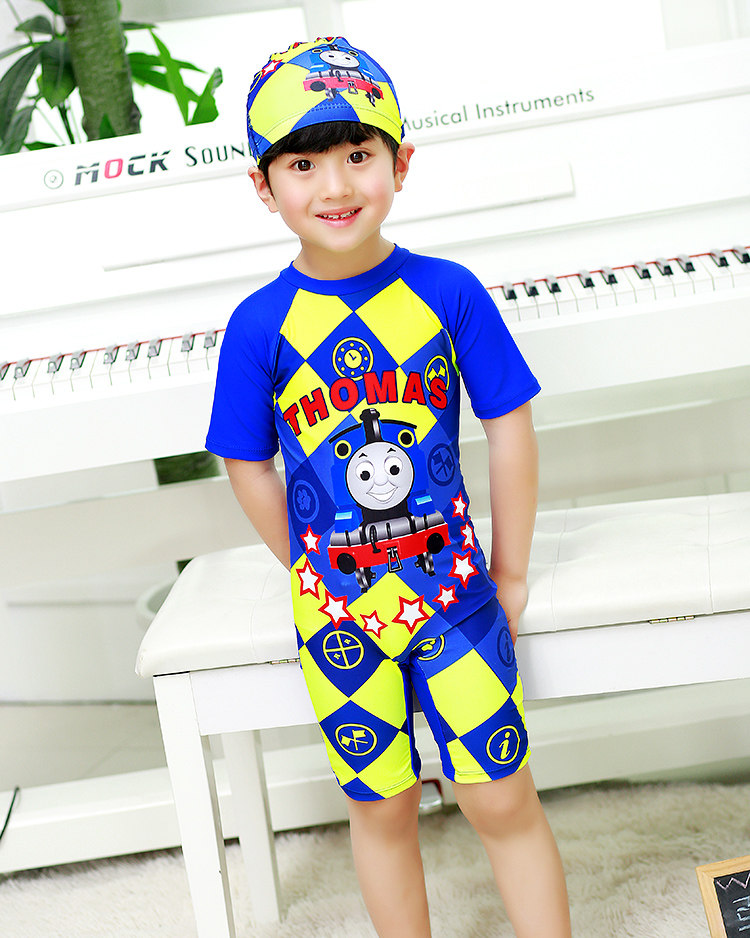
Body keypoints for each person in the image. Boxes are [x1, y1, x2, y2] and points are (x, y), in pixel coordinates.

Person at [205, 37, 571, 938]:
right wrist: (307, 568)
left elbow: (510, 425)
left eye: (357, 155)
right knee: (380, 809)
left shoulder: (449, 293)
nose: (335, 186)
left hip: (456, 600)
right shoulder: (258, 326)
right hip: (338, 622)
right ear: (263, 186)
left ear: (400, 164)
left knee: (501, 796)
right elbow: (246, 462)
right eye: (302, 164)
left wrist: (509, 569)